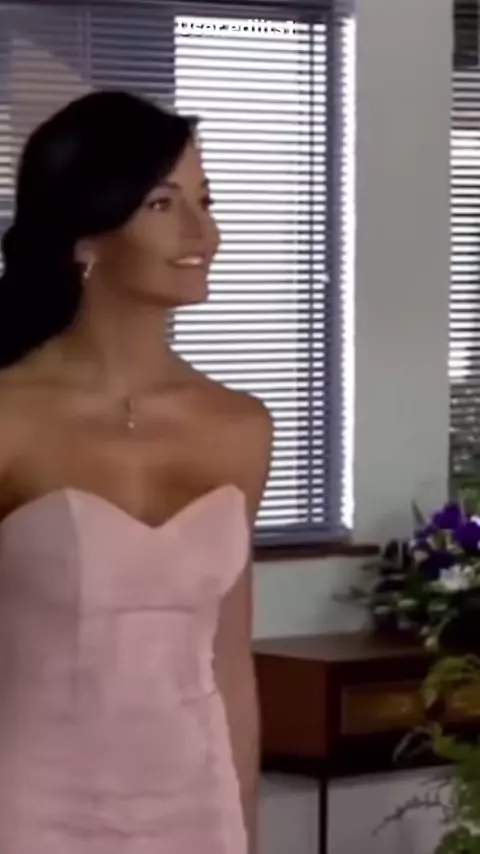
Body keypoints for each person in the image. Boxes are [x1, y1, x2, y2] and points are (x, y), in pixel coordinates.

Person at [0, 89, 272, 854]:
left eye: (205, 199)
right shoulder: (11, 417)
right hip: (29, 809)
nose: (202, 232)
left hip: (197, 810)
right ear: (85, 236)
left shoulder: (240, 428)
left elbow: (230, 665)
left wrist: (245, 829)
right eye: (162, 203)